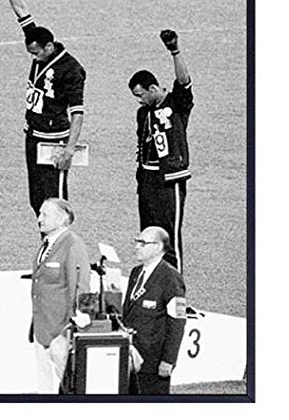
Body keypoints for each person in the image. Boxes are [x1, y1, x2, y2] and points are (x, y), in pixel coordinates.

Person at [0, 0, 86, 216]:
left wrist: (69, 149)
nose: (34, 58)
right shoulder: (38, 43)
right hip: (33, 136)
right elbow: (20, 9)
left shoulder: (72, 70)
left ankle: (61, 242)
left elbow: (77, 113)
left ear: (49, 46)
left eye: (36, 54)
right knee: (37, 201)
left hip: (54, 141)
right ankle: (46, 240)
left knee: (55, 202)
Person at [128, 30, 193, 273]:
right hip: (147, 180)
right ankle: (153, 284)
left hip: (169, 179)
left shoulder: (176, 103)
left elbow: (184, 82)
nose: (139, 100)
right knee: (149, 236)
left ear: (153, 87)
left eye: (140, 95)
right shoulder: (142, 113)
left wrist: (174, 50)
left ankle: (176, 288)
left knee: (169, 237)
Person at [30, 198, 90, 393]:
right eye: (40, 214)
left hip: (62, 330)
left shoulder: (73, 244)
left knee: (70, 383)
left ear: (61, 218)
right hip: (41, 327)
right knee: (44, 384)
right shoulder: (46, 244)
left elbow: (81, 285)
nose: (39, 219)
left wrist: (78, 321)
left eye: (45, 215)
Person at [122, 226, 186, 395]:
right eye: (137, 242)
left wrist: (168, 360)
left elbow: (177, 322)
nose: (136, 247)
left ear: (158, 247)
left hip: (153, 361)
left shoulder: (170, 277)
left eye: (142, 243)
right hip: (131, 355)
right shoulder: (136, 273)